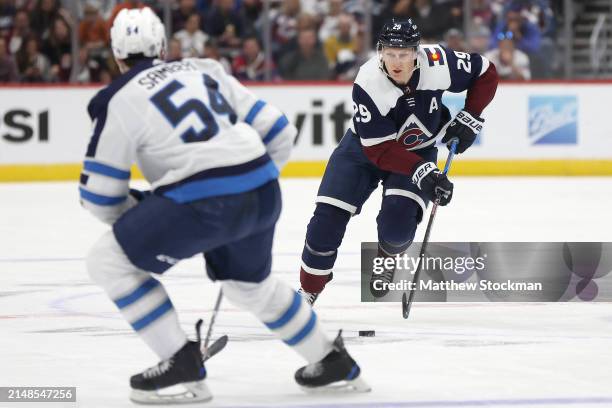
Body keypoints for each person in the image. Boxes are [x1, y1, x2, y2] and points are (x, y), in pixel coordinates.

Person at [80, 7, 368, 404]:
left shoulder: (117, 99)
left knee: (108, 261)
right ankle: (331, 361)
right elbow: (280, 131)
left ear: (116, 55)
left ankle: (180, 364)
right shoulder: (204, 69)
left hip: (201, 200)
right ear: (163, 46)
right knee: (250, 287)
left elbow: (98, 195)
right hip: (261, 188)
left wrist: (139, 216)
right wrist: (250, 184)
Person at [297, 18, 498, 304]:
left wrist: (471, 115)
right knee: (325, 222)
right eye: (389, 53)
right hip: (363, 150)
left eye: (403, 53)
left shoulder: (439, 62)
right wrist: (423, 171)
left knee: (397, 231)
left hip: (418, 150)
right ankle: (309, 290)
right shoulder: (368, 82)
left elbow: (486, 73)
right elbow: (379, 151)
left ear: (417, 51)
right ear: (380, 51)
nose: (396, 61)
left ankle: (386, 258)